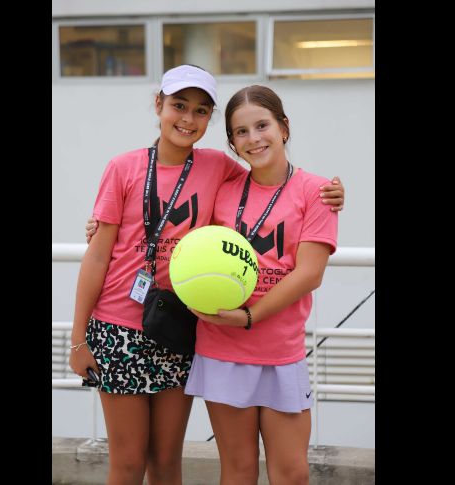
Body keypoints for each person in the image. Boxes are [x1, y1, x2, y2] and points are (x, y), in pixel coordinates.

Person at [69, 65, 343, 485]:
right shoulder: (128, 168)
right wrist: (78, 338)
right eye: (178, 105)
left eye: (200, 111)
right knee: (127, 463)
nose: (187, 118)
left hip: (179, 330)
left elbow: (275, 184)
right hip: (123, 329)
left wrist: (333, 191)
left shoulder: (222, 169)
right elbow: (98, 254)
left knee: (168, 460)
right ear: (158, 105)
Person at [184, 85, 339, 485]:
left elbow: (310, 273)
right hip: (220, 346)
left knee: (291, 472)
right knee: (237, 471)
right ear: (232, 143)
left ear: (284, 127)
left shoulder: (317, 191)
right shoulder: (225, 188)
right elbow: (183, 238)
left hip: (280, 352)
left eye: (262, 125)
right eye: (241, 132)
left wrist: (250, 316)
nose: (254, 139)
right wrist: (98, 226)